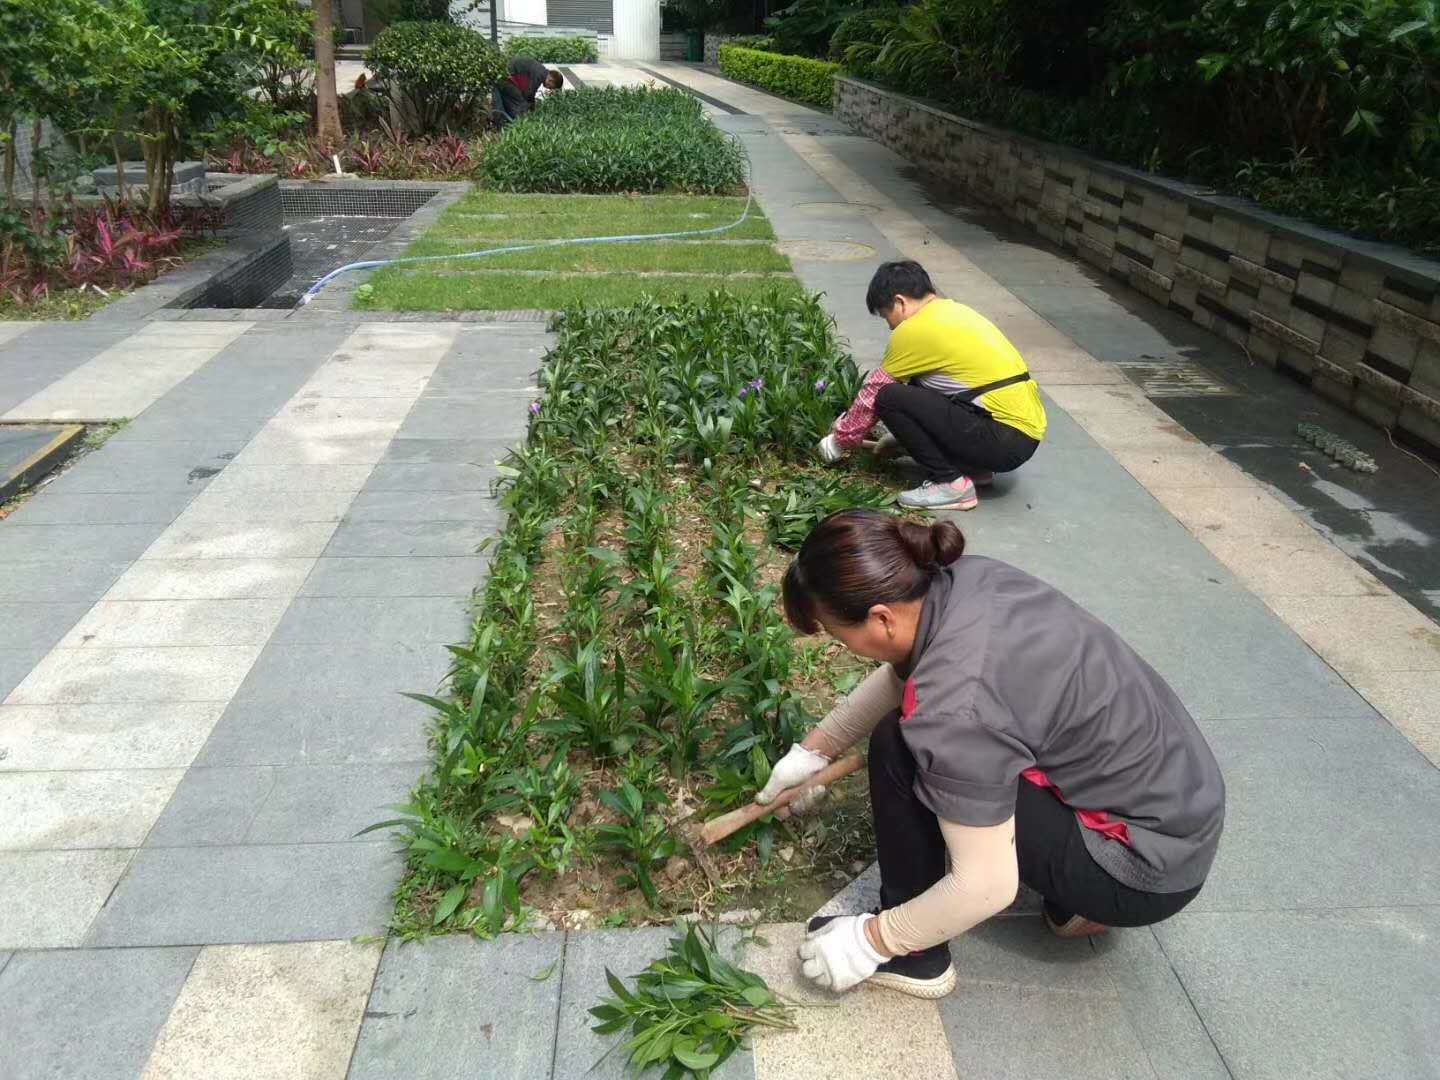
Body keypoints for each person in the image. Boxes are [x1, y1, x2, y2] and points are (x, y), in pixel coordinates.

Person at [759, 509, 1224, 998]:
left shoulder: (952, 708)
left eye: (838, 634)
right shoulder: (967, 580)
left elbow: (986, 887)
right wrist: (814, 751)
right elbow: (913, 671)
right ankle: (1073, 900)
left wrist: (872, 941)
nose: (843, 645)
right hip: (1181, 809)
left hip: (1141, 870)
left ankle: (917, 959)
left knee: (898, 745)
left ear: (880, 618)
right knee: (951, 740)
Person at [817, 260, 1046, 512]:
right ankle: (973, 469)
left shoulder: (913, 330)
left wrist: (840, 441)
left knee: (888, 397)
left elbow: (871, 396)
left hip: (1000, 440)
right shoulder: (954, 312)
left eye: (886, 315)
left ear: (900, 302)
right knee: (917, 380)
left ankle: (951, 483)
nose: (890, 325)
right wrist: (900, 438)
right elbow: (935, 395)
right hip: (1021, 437)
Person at [491, 58, 564, 127]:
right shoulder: (539, 75)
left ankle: (502, 122)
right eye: (551, 87)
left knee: (512, 102)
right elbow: (528, 94)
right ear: (551, 80)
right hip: (507, 79)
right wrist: (530, 110)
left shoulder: (541, 71)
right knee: (520, 105)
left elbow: (529, 93)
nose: (549, 88)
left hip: (504, 76)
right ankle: (517, 126)